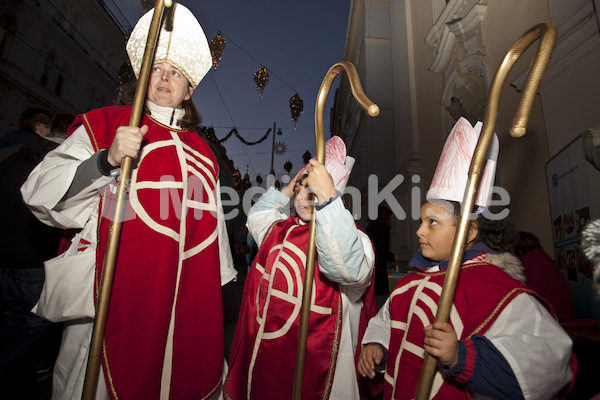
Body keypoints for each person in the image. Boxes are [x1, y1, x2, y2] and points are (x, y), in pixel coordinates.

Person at [21, 4, 236, 399]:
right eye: (157, 68)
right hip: (112, 289)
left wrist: (210, 289)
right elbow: (40, 192)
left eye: (176, 72)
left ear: (189, 89)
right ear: (142, 78)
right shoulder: (107, 123)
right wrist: (106, 160)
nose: (164, 78)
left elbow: (209, 232)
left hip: (182, 295)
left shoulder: (204, 153)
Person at [357, 118, 575, 399]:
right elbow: (389, 323)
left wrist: (462, 357)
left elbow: (550, 361)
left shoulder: (496, 288)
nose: (420, 230)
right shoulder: (408, 284)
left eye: (432, 222)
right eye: (422, 220)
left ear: (469, 230)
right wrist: (378, 347)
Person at [224, 136, 378, 399]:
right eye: (303, 189)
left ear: (334, 197)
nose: (307, 198)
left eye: (315, 192)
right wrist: (285, 191)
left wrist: (328, 200)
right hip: (270, 352)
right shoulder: (281, 231)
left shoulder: (355, 239)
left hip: (322, 360)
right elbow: (258, 217)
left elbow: (346, 268)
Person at [0, 113, 73, 399]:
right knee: (36, 330)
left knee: (12, 327)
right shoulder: (59, 161)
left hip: (5, 259)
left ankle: (21, 383)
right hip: (34, 262)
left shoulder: (14, 156)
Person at [514, 231, 574, 321]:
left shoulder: (536, 262)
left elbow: (532, 293)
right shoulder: (538, 258)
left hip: (555, 315)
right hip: (553, 312)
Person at [366, 205, 395, 309]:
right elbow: (381, 252)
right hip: (379, 275)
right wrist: (393, 257)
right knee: (382, 307)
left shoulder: (368, 229)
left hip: (369, 273)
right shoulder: (383, 230)